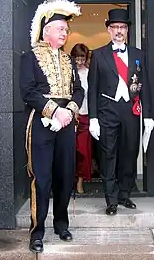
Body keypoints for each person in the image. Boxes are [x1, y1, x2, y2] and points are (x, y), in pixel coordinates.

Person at [19, 0, 84, 253]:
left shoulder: (68, 60)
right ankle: (37, 231)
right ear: (47, 30)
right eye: (61, 28)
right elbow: (27, 91)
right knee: (42, 178)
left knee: (65, 176)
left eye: (66, 30)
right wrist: (54, 110)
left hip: (66, 123)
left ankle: (61, 224)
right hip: (42, 122)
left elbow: (78, 90)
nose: (65, 33)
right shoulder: (30, 57)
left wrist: (68, 110)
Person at [88, 8, 154, 215]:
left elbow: (145, 85)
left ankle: (125, 194)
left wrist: (149, 115)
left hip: (130, 110)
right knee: (109, 154)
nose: (119, 31)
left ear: (127, 30)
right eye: (115, 27)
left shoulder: (138, 54)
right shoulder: (98, 55)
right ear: (108, 29)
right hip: (107, 109)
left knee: (129, 152)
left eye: (123, 27)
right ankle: (111, 200)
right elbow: (93, 88)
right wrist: (93, 118)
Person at [70, 43, 92, 194]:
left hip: (86, 115)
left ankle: (80, 182)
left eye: (82, 58)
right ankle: (68, 180)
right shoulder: (67, 73)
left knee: (84, 151)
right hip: (69, 117)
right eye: (76, 58)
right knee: (70, 152)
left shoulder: (90, 73)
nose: (79, 62)